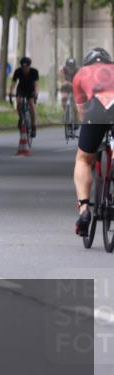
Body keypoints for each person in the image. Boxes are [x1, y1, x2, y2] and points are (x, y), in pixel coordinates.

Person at [71, 47, 114, 236]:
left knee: (83, 160)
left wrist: (89, 138)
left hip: (96, 108)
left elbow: (81, 111)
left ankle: (84, 210)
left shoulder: (80, 74)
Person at [8, 56, 39, 138]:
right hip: (21, 89)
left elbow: (36, 84)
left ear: (29, 66)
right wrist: (10, 93)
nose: (24, 69)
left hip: (30, 90)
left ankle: (34, 127)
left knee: (32, 106)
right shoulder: (18, 71)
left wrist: (36, 93)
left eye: (26, 67)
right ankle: (21, 118)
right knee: (19, 102)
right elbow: (13, 83)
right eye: (23, 67)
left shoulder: (34, 72)